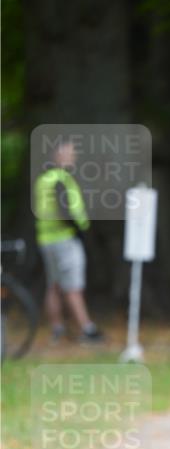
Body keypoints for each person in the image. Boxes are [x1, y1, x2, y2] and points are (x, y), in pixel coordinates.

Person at [34, 140, 103, 343]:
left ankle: (57, 328)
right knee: (73, 286)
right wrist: (78, 230)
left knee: (53, 285)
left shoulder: (43, 179)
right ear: (56, 155)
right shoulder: (60, 179)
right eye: (69, 152)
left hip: (46, 239)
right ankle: (86, 329)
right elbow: (65, 209)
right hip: (65, 239)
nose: (73, 156)